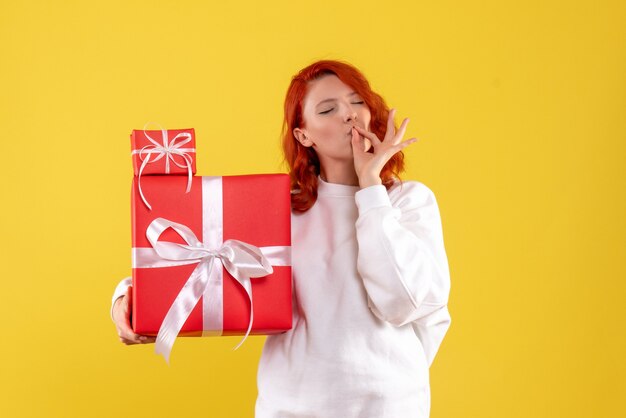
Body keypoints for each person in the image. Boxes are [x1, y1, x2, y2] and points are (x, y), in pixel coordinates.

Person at [111, 59, 452, 417]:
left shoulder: (408, 201)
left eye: (357, 101)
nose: (349, 114)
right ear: (304, 136)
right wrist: (124, 301)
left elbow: (402, 301)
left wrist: (370, 189)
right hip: (292, 407)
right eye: (328, 109)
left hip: (391, 407)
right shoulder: (282, 210)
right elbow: (199, 256)